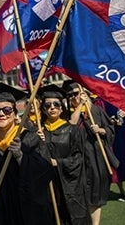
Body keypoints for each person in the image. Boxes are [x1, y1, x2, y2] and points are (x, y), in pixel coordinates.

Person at [0, 83, 55, 225]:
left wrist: (21, 157)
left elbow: (46, 170)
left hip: (27, 210)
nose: (1, 114)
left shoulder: (30, 138)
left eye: (7, 110)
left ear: (14, 113)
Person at [63, 80, 116, 225]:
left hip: (95, 157)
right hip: (77, 160)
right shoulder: (68, 114)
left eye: (76, 94)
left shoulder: (96, 111)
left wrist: (100, 130)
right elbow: (71, 126)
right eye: (71, 95)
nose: (74, 97)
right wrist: (80, 105)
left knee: (95, 193)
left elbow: (110, 129)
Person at [39, 84, 90, 224]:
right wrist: (37, 143)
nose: (52, 108)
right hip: (49, 188)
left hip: (70, 187)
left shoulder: (72, 130)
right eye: (47, 105)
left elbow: (79, 159)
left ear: (62, 108)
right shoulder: (39, 132)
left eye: (56, 104)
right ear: (43, 109)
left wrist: (58, 163)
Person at [97, 99, 125, 203]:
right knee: (115, 159)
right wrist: (110, 121)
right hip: (111, 133)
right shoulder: (101, 101)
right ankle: (122, 191)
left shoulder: (120, 94)